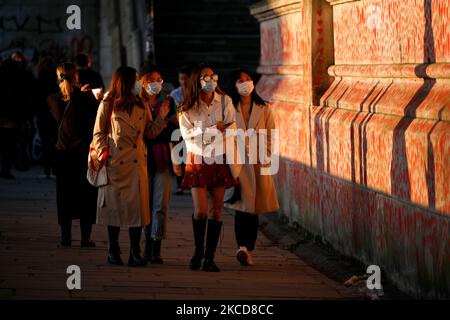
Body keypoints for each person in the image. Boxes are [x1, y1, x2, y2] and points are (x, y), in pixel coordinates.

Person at [92, 66, 169, 267]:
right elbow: (98, 134)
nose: (138, 83)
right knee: (114, 211)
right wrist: (105, 155)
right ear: (125, 81)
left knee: (137, 212)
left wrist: (161, 117)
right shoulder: (108, 103)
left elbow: (150, 133)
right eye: (135, 79)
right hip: (115, 164)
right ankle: (113, 249)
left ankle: (135, 251)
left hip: (136, 165)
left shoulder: (141, 104)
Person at [178, 63, 238, 272]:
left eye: (213, 76)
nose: (210, 80)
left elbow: (232, 128)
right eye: (206, 76)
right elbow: (188, 136)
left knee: (217, 212)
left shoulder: (225, 101)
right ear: (197, 80)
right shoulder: (189, 107)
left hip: (220, 159)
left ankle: (210, 258)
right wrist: (214, 130)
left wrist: (210, 133)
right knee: (200, 210)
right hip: (199, 159)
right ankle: (198, 251)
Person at [225, 69, 280, 266]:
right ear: (234, 84)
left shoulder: (263, 108)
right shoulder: (229, 107)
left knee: (253, 207)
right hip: (237, 163)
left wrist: (265, 156)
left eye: (247, 79)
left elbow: (271, 134)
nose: (245, 83)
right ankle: (242, 247)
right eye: (240, 80)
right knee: (241, 206)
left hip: (257, 163)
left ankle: (248, 248)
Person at [47, 63, 99, 247]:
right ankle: (85, 238)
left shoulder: (52, 100)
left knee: (64, 195)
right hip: (82, 154)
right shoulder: (85, 99)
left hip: (62, 154)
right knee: (86, 195)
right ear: (76, 76)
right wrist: (91, 96)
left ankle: (65, 236)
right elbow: (94, 122)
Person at [140, 67, 182, 264]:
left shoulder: (168, 102)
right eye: (152, 79)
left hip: (163, 160)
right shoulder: (138, 104)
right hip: (141, 160)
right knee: (144, 205)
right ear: (143, 83)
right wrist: (160, 122)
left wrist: (176, 162)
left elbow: (173, 132)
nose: (157, 82)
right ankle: (146, 243)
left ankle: (156, 245)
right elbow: (142, 134)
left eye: (159, 79)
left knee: (160, 205)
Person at [36, 56, 59, 178]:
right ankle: (55, 168)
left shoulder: (38, 80)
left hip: (42, 115)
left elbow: (35, 99)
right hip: (54, 115)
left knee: (45, 143)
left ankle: (46, 169)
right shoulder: (56, 80)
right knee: (55, 141)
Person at [170, 66, 191, 195]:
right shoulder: (174, 94)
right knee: (179, 155)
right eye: (181, 79)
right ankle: (180, 183)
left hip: (192, 128)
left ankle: (189, 181)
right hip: (178, 128)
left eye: (185, 78)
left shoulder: (195, 93)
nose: (183, 81)